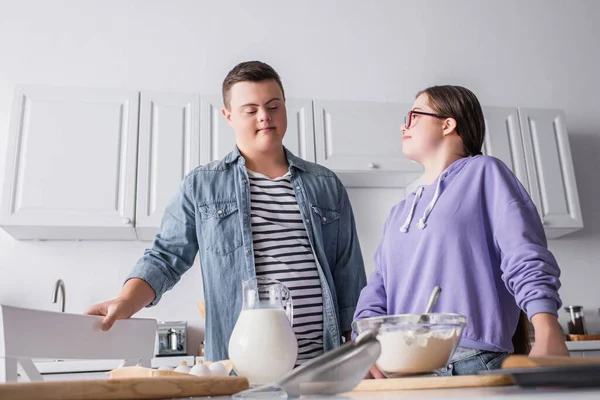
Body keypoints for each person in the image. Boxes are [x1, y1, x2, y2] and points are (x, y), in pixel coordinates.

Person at [85, 61, 367, 364]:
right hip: (242, 372)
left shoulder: (326, 184)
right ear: (228, 116)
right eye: (251, 110)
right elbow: (165, 257)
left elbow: (348, 273)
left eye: (273, 106)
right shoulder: (202, 185)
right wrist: (127, 301)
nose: (265, 117)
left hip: (322, 367)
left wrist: (361, 349)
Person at [353, 85, 569, 378]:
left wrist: (546, 327)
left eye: (414, 115)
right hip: (402, 369)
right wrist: (364, 345)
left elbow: (523, 254)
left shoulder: (485, 173)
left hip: (470, 362)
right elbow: (377, 289)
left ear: (448, 123)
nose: (403, 125)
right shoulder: (399, 212)